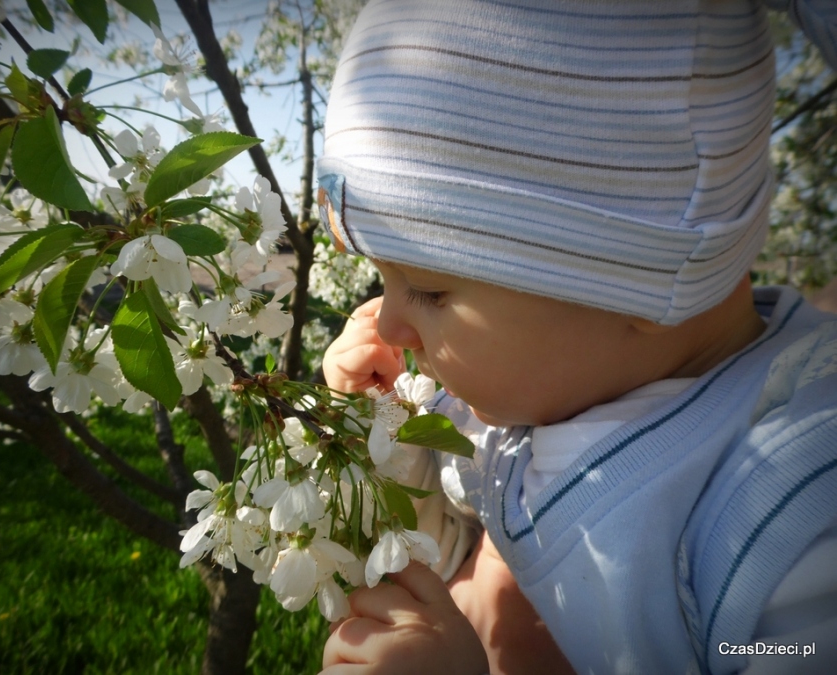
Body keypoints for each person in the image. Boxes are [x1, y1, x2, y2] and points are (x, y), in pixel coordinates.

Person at [315, 0, 837, 673]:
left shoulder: (790, 518)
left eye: (430, 289)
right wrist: (388, 434)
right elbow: (458, 538)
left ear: (642, 278)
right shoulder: (551, 390)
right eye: (384, 279)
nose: (386, 323)